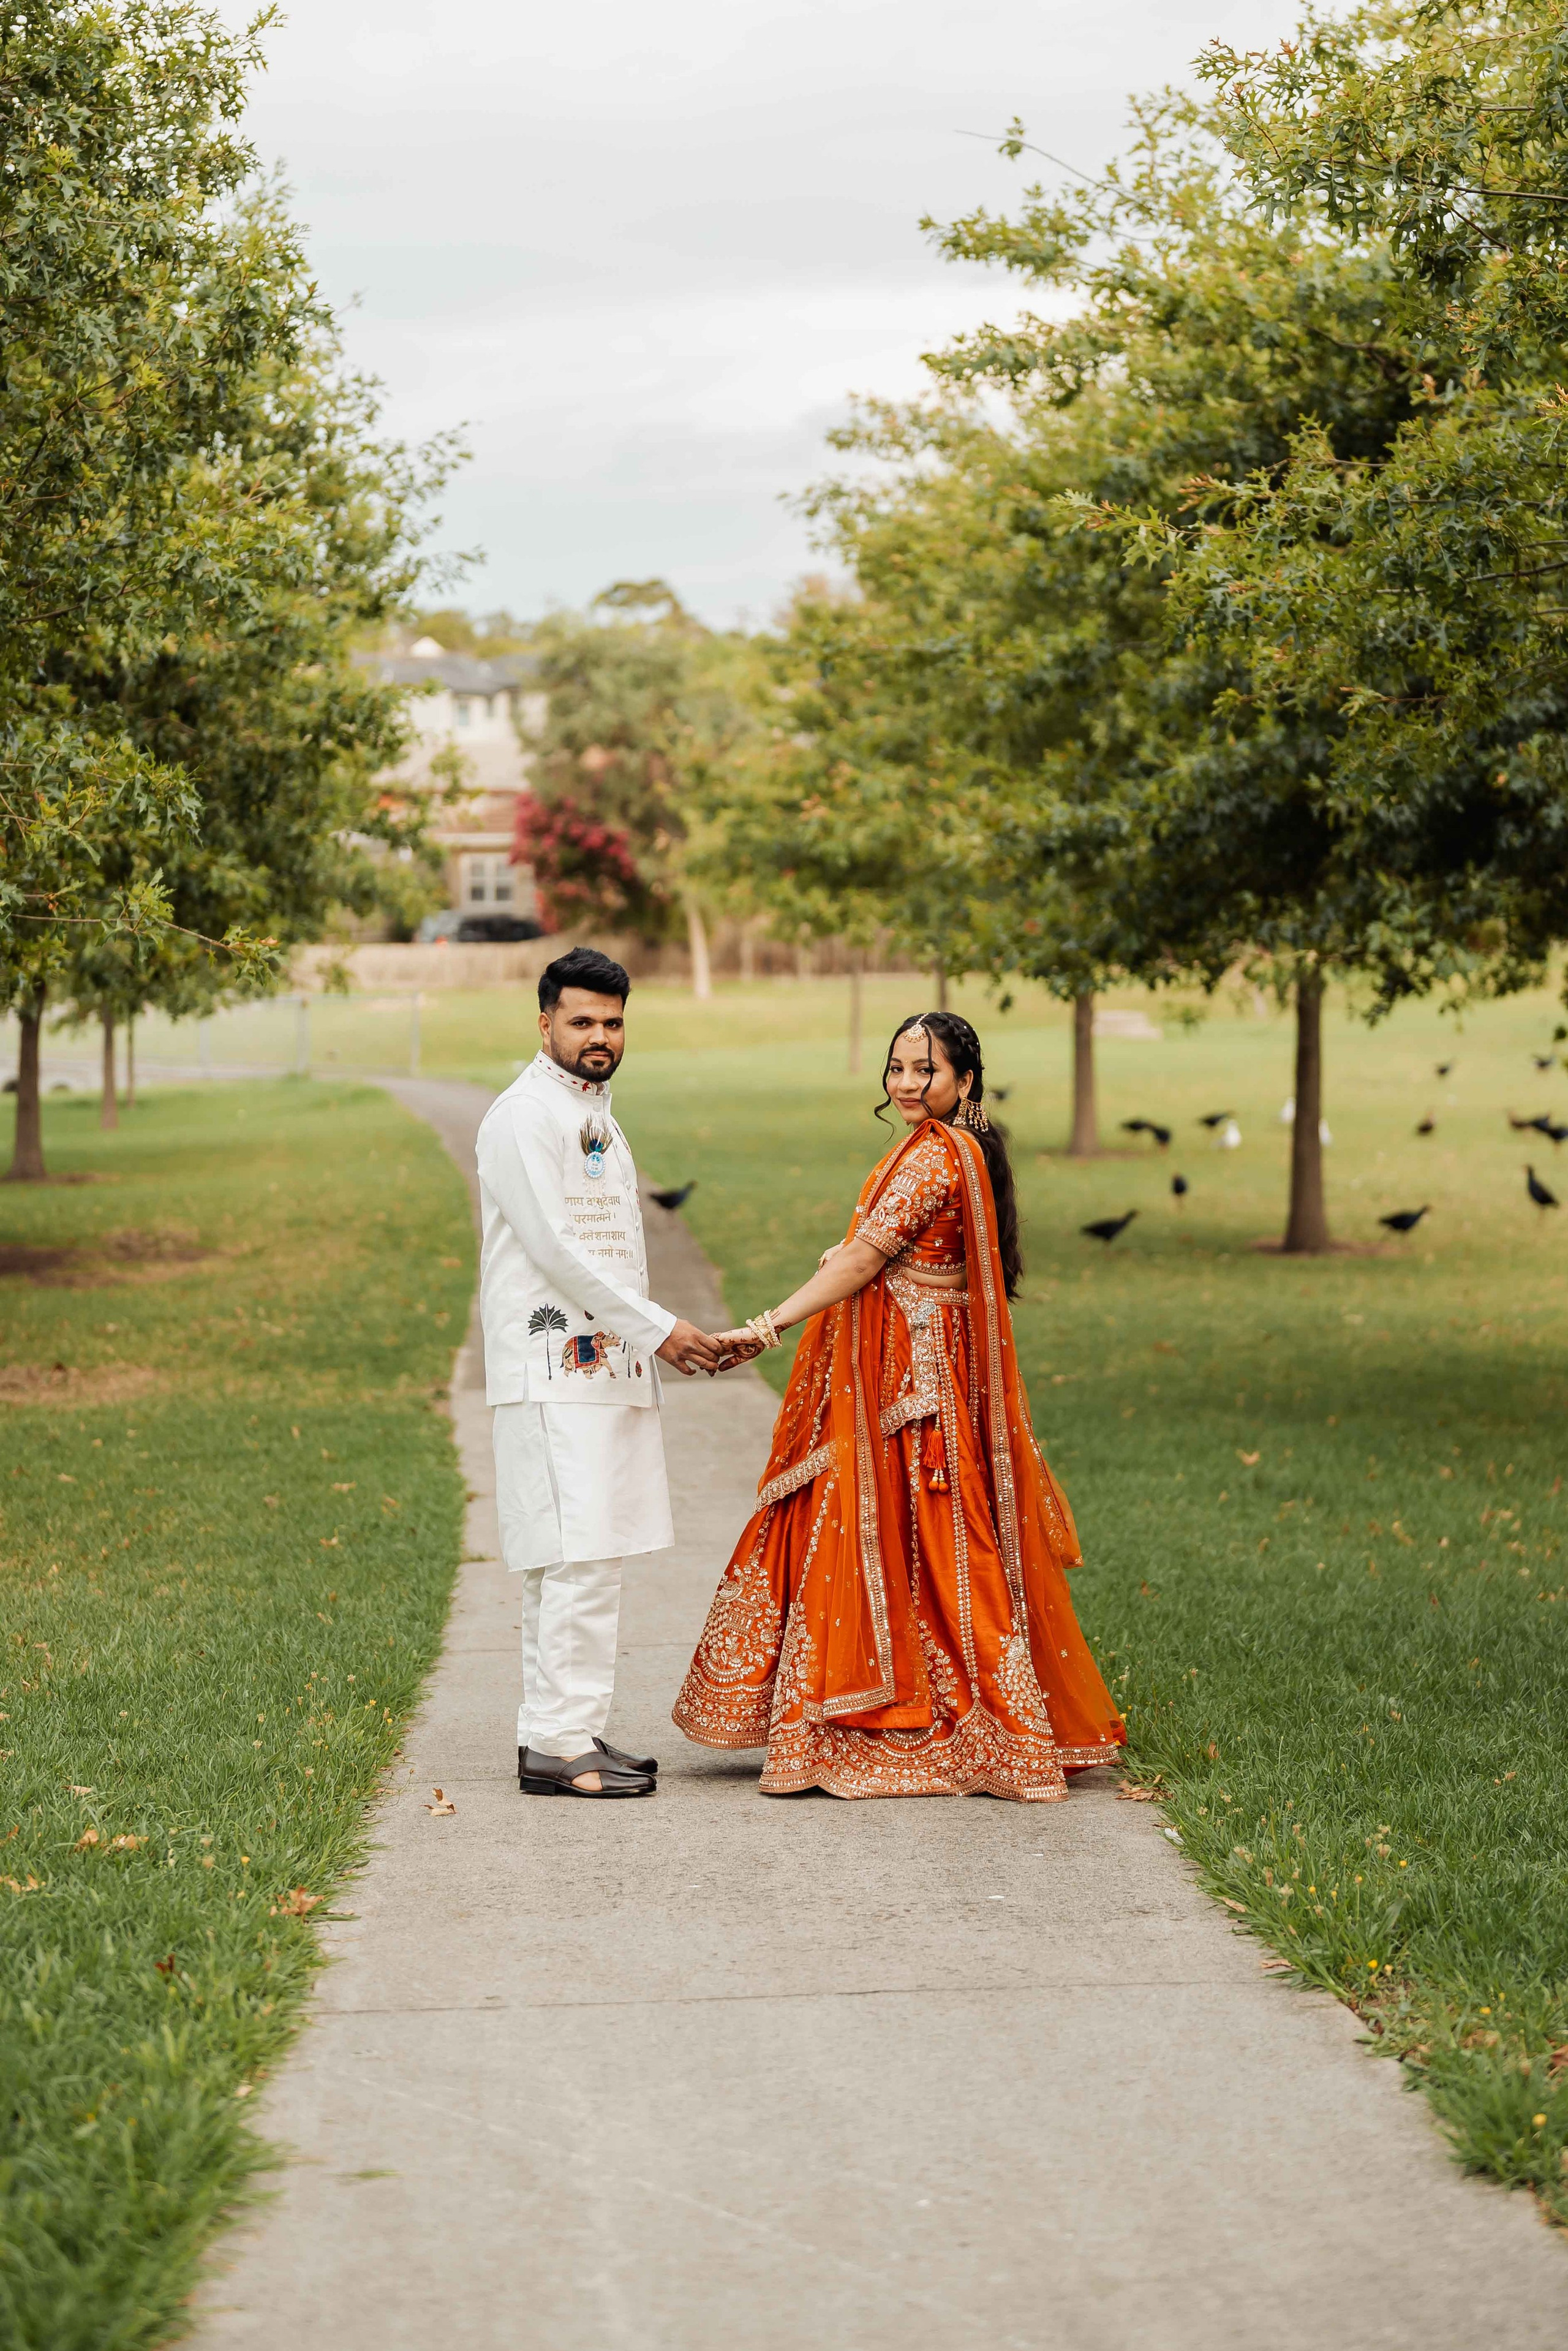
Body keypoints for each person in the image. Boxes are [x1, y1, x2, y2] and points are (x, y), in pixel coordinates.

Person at [675, 1010, 1125, 1801]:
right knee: (911, 1536)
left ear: (965, 1081)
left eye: (927, 1070)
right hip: (905, 1368)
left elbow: (866, 1257)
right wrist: (846, 1264)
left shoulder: (935, 1157)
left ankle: (950, 1721)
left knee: (930, 1539)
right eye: (898, 1068)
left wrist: (767, 1325)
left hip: (914, 1381)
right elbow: (878, 1254)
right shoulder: (947, 1147)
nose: (909, 1084)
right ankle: (961, 1713)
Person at [477, 946, 722, 1798]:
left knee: (595, 1554)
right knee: (571, 1554)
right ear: (543, 1022)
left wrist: (642, 1339)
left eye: (613, 1022)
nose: (599, 1036)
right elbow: (554, 1248)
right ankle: (552, 1742)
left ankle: (570, 1728)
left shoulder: (597, 1117)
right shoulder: (520, 1116)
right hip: (551, 1371)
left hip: (603, 1369)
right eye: (581, 1020)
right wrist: (662, 1331)